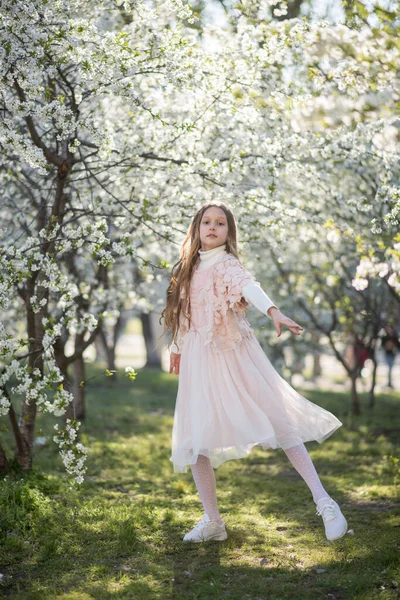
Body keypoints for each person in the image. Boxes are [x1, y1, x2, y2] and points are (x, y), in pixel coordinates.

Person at [161, 202, 348, 544]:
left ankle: (325, 501)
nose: (213, 227)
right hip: (199, 362)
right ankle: (213, 521)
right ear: (197, 228)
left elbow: (249, 287)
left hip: (236, 357)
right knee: (194, 439)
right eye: (207, 222)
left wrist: (273, 311)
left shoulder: (227, 265)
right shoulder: (188, 269)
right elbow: (185, 313)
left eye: (220, 223)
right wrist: (176, 349)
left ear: (229, 232)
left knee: (281, 423)